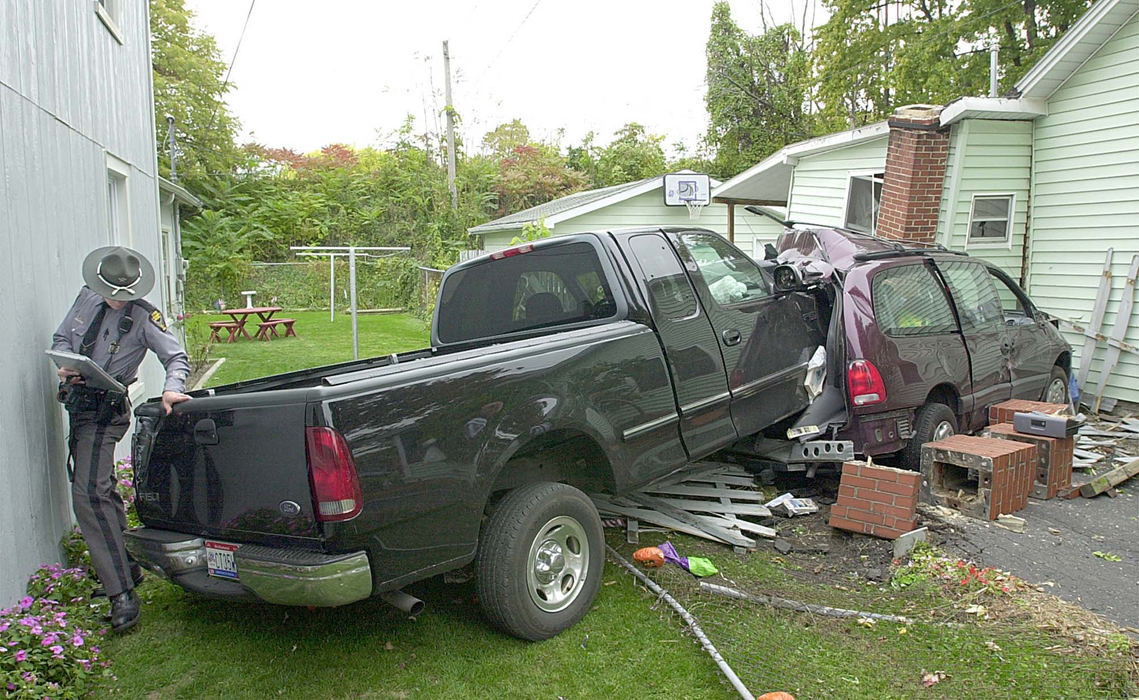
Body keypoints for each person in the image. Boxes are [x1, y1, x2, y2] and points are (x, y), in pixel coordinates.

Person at [51, 246, 192, 633]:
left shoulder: (145, 317)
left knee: (89, 496)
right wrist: (65, 364)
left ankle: (121, 595)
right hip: (79, 405)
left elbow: (176, 357)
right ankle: (126, 566)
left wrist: (172, 389)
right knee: (102, 491)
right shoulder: (86, 297)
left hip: (107, 411)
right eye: (112, 291)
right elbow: (62, 338)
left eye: (124, 293)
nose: (117, 299)